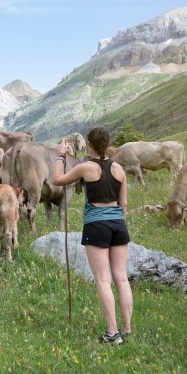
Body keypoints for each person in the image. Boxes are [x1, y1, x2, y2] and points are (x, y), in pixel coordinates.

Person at [52, 127, 133, 344]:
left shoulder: (86, 167)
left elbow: (57, 179)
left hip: (97, 225)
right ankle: (126, 329)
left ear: (89, 144)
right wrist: (117, 224)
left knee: (103, 280)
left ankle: (112, 333)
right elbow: (123, 205)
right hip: (119, 225)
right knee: (122, 278)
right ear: (106, 144)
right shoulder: (118, 169)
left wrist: (62, 154)